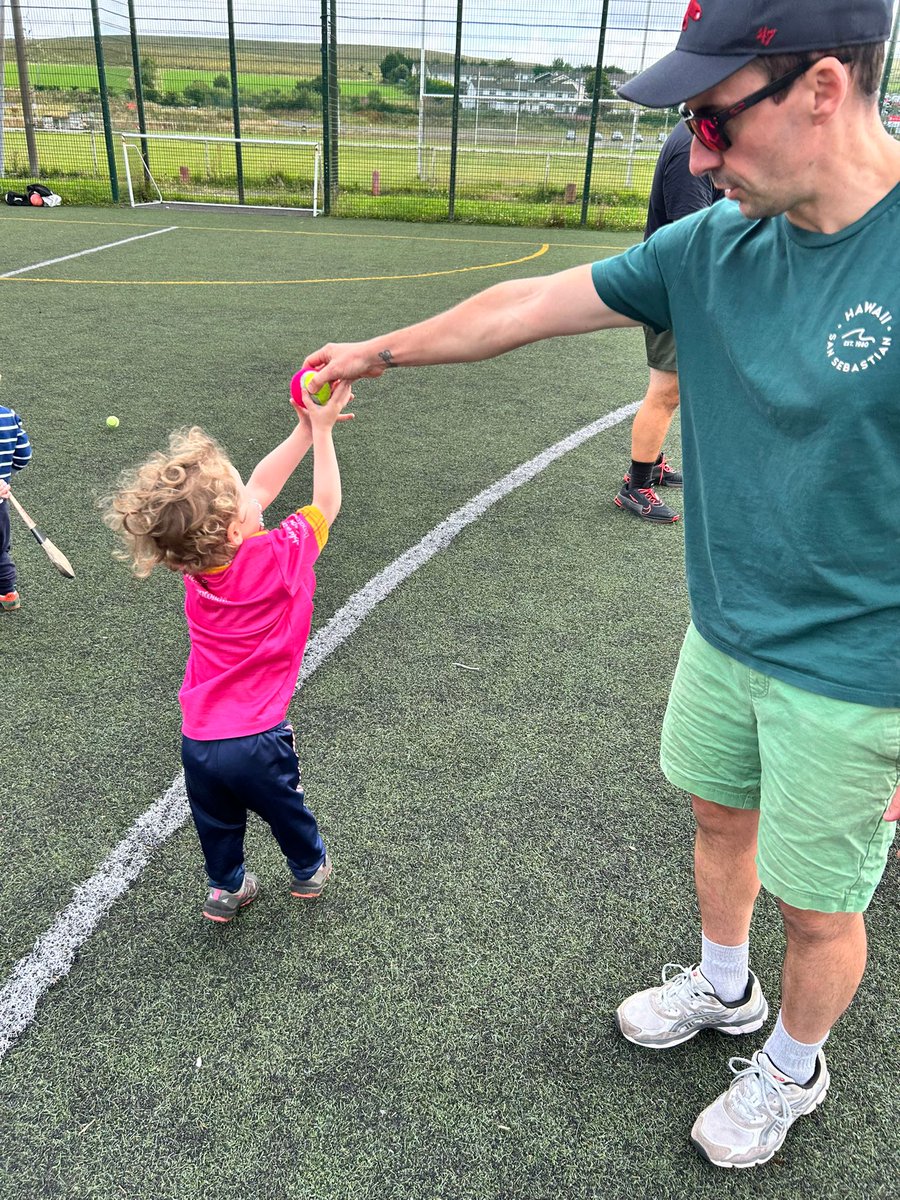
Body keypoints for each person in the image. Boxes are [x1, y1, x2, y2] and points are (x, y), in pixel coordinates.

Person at [299, 0, 900, 1168]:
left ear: (823, 88)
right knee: (718, 816)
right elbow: (525, 306)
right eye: (687, 126)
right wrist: (375, 350)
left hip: (857, 667)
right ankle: (726, 990)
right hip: (726, 629)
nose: (695, 153)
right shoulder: (714, 246)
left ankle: (794, 1062)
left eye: (714, 120)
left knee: (819, 902)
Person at [103, 380, 353, 922]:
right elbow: (326, 502)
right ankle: (308, 869)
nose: (252, 489)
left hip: (199, 739)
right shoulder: (280, 555)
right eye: (242, 494)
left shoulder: (195, 569)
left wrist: (303, 428)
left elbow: (260, 486)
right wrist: (325, 433)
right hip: (258, 737)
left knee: (216, 820)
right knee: (284, 807)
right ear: (236, 528)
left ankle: (226, 889)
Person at [615, 120, 722, 524]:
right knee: (667, 390)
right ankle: (635, 484)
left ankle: (653, 464)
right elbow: (689, 236)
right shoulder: (688, 150)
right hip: (674, 288)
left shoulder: (699, 136)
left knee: (673, 389)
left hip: (681, 287)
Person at [0, 382, 33, 612]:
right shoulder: (9, 416)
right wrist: (6, 476)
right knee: (0, 548)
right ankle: (8, 594)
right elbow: (23, 456)